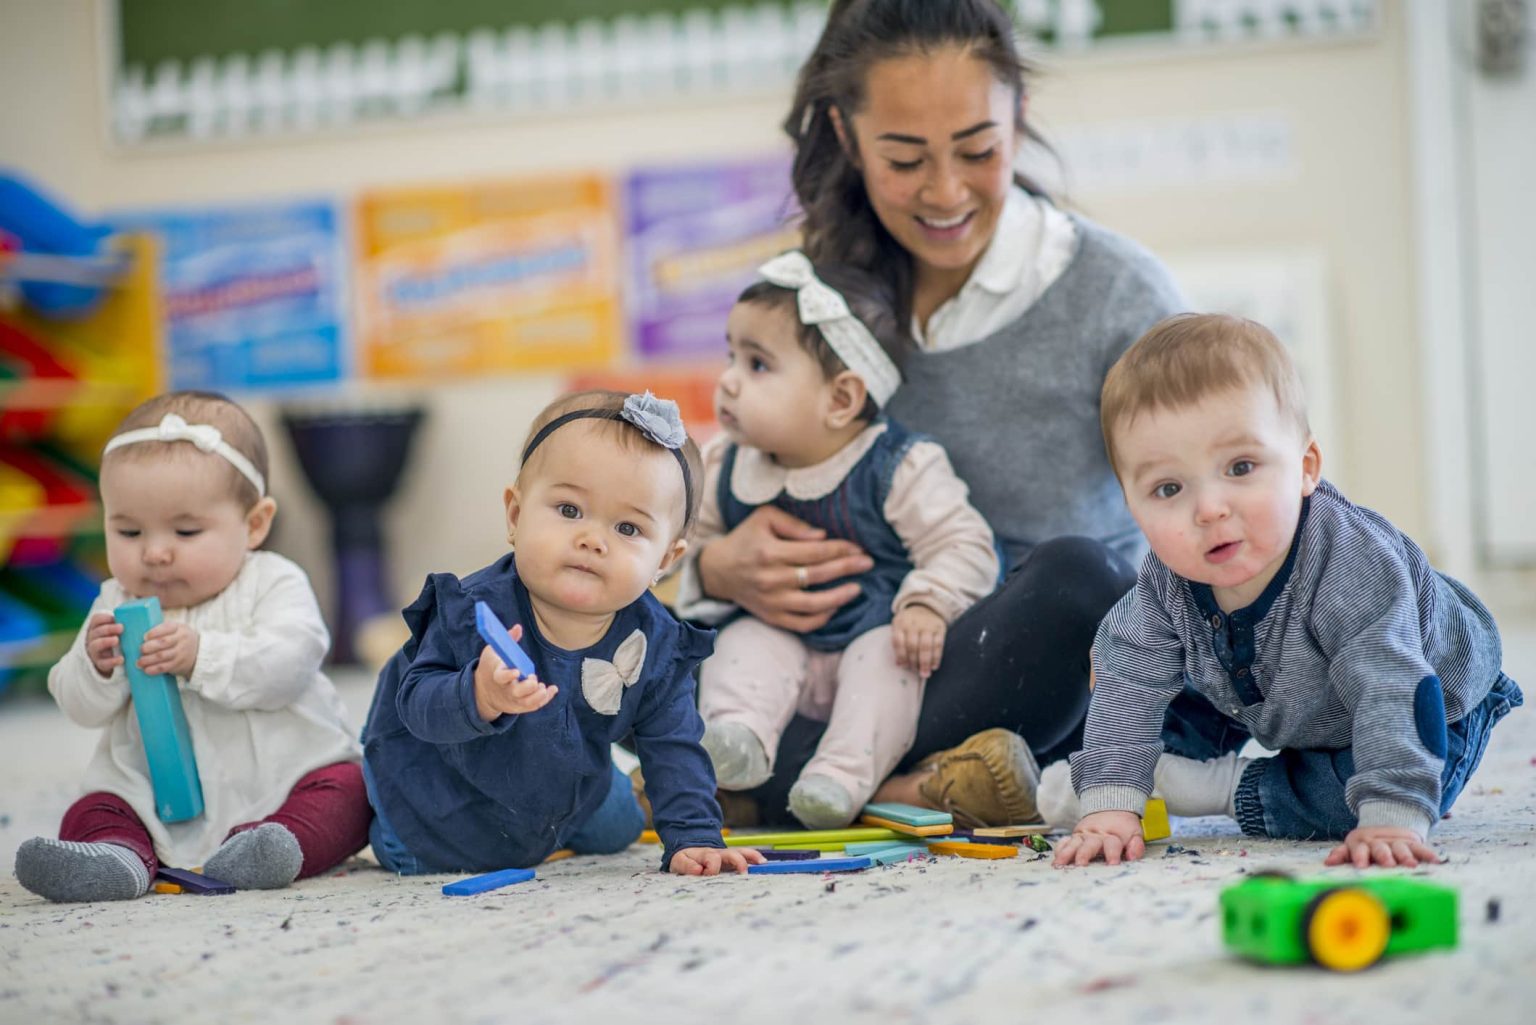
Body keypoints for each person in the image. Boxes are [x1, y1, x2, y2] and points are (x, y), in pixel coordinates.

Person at [674, 0, 1185, 826]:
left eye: (978, 150)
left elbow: (1210, 503)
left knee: (1084, 581)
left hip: (1012, 666)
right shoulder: (817, 298)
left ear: (1019, 117)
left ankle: (806, 783)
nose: (946, 192)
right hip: (822, 660)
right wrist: (716, 567)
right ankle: (911, 787)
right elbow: (717, 478)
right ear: (845, 136)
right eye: (905, 159)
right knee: (645, 642)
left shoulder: (1119, 296)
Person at [1045, 314, 1523, 868]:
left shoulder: (1351, 567)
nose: (1209, 509)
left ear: (1305, 467)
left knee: (1352, 800)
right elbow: (1128, 678)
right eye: (1168, 488)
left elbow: (1391, 686)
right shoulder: (1164, 582)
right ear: (1132, 506)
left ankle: (1221, 786)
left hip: (1426, 695)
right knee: (1146, 688)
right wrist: (1108, 806)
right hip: (1269, 686)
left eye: (1240, 467)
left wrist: (1390, 815)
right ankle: (1128, 779)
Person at [361, 390, 764, 877]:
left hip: (561, 784)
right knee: (409, 852)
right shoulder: (474, 611)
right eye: (570, 510)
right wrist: (478, 694)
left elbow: (674, 742)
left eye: (628, 529)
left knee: (620, 828)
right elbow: (415, 705)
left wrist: (695, 835)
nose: (592, 540)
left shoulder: (656, 643)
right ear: (516, 516)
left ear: (665, 559)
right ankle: (358, 794)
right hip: (445, 791)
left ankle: (598, 802)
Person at [15, 392, 369, 902]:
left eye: (185, 530)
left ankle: (271, 848)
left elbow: (291, 660)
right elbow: (78, 706)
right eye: (128, 530)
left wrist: (203, 656)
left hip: (283, 778)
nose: (155, 552)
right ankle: (119, 857)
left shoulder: (273, 581)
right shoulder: (114, 602)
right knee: (95, 806)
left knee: (352, 791)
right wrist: (95, 666)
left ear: (254, 525)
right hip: (150, 794)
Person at [691, 251, 999, 829]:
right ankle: (737, 739)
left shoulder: (899, 466)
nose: (727, 380)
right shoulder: (725, 465)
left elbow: (965, 545)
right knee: (742, 643)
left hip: (873, 632)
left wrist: (927, 602)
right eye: (732, 356)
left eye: (757, 364)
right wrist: (712, 562)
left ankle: (838, 778)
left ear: (840, 399)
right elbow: (680, 546)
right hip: (779, 639)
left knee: (888, 668)